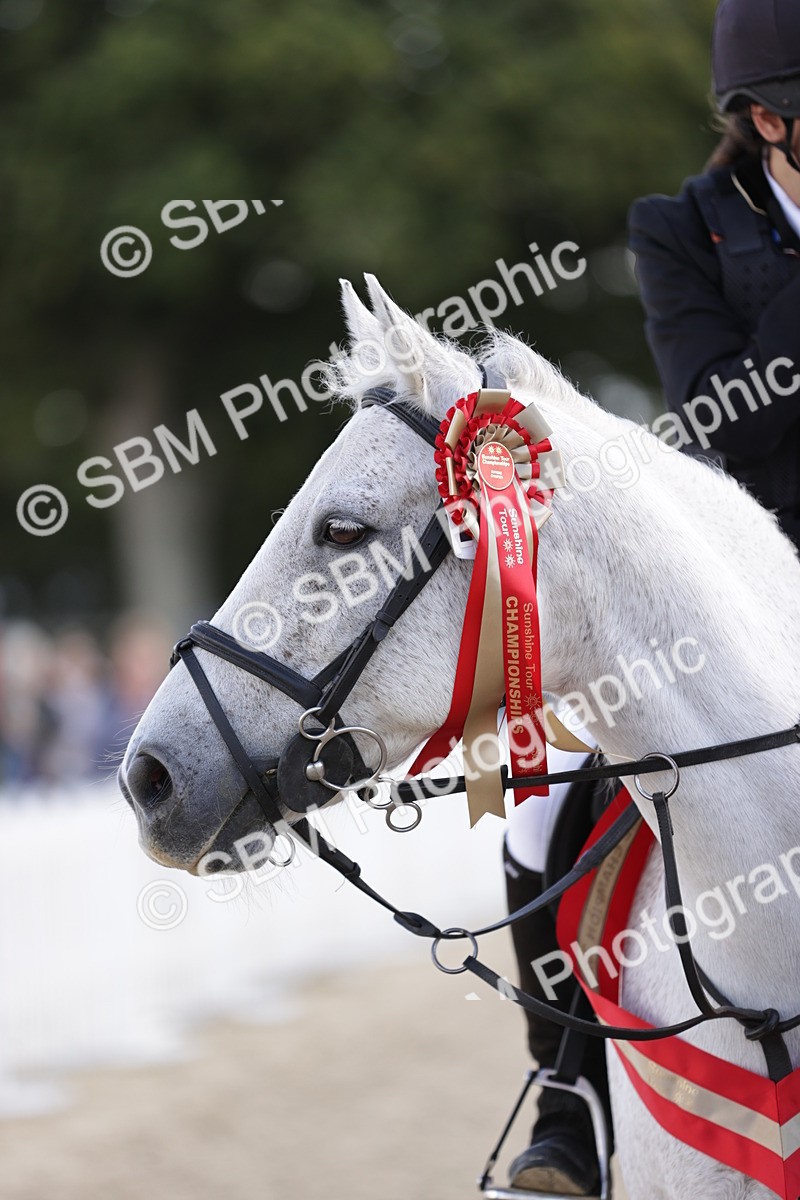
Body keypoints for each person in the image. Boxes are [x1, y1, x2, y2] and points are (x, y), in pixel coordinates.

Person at [502, 0, 800, 1193]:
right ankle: (567, 1096)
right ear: (768, 120)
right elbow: (727, 417)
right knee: (539, 808)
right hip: (742, 592)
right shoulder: (677, 230)